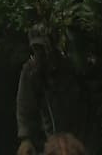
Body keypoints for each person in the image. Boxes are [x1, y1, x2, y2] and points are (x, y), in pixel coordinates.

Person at [16, 26, 92, 155]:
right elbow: (25, 106)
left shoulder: (70, 65)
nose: (40, 52)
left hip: (80, 136)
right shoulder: (31, 71)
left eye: (42, 47)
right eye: (35, 48)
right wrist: (26, 138)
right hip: (50, 140)